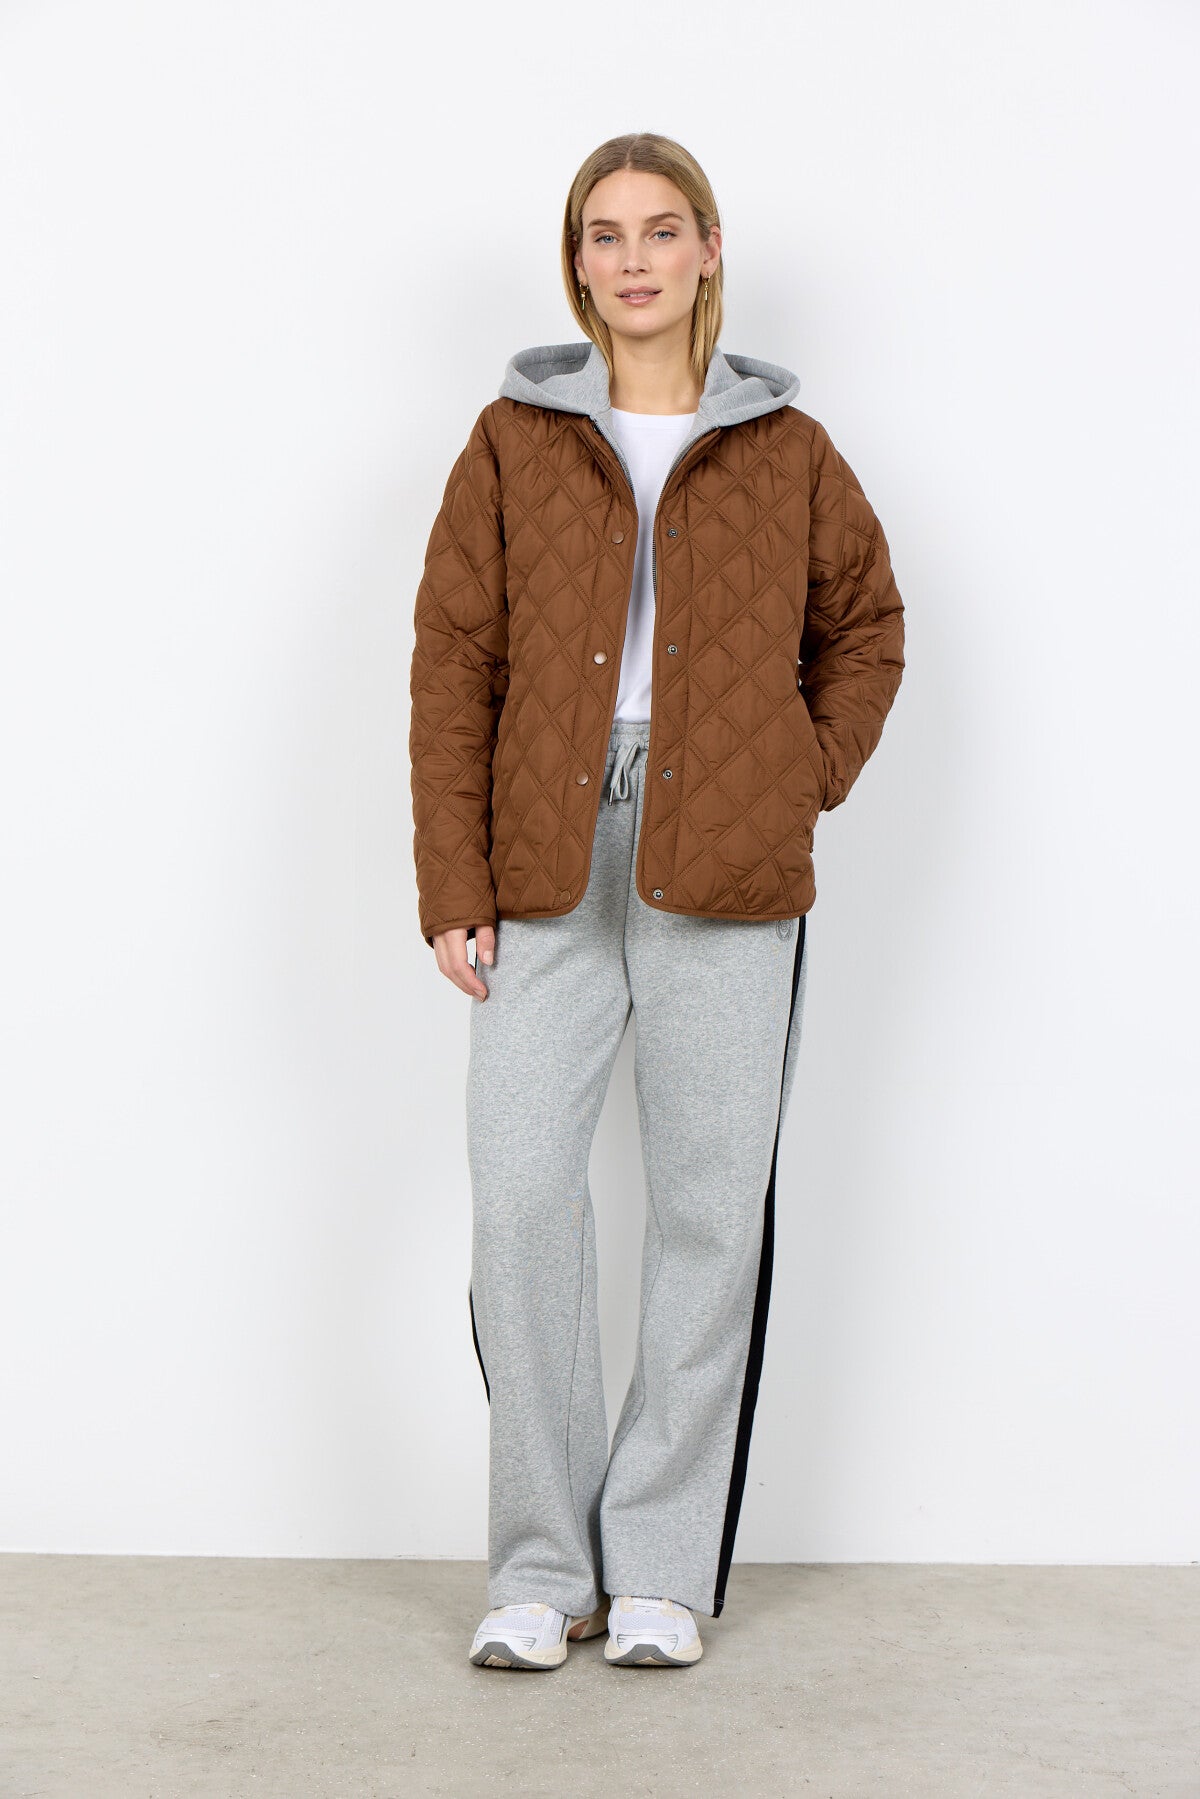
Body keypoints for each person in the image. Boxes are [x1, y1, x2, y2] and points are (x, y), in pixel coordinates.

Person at [409, 132, 905, 1671]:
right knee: (519, 1201)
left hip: (728, 861)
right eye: (605, 234)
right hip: (545, 856)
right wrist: (452, 879)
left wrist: (794, 778)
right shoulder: (511, 439)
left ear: (707, 251)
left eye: (661, 229)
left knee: (706, 1212)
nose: (633, 259)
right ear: (577, 264)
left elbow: (868, 628)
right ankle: (542, 1567)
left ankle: (663, 1571)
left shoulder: (790, 450)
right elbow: (454, 667)